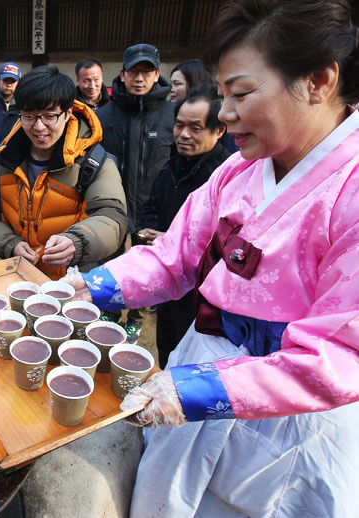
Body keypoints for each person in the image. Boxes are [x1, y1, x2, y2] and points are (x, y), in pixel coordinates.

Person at [65, 0, 359, 515]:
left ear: (318, 81)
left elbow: (340, 354)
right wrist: (91, 288)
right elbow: (175, 258)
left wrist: (202, 391)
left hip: (287, 414)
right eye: (223, 94)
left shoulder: (349, 192)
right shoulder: (235, 175)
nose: (224, 113)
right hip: (200, 368)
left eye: (241, 93)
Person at [0, 65, 127, 280]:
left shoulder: (93, 161)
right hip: (20, 276)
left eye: (49, 116)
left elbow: (112, 216)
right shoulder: (4, 158)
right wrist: (10, 244)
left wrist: (76, 242)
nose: (38, 127)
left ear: (67, 113)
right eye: (28, 116)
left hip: (72, 283)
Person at [139, 83, 230, 366]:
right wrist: (150, 233)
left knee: (192, 356)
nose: (184, 134)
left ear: (219, 130)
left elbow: (224, 239)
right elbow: (151, 206)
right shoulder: (170, 167)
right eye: (179, 126)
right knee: (165, 344)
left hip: (201, 292)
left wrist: (172, 240)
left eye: (195, 127)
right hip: (167, 281)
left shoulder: (223, 177)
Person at [97, 43, 174, 342]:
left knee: (148, 270)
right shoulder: (105, 116)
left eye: (146, 71)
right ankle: (112, 312)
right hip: (113, 208)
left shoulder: (171, 115)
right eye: (133, 72)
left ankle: (137, 317)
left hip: (153, 211)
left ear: (156, 74)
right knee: (113, 266)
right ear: (123, 74)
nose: (139, 78)